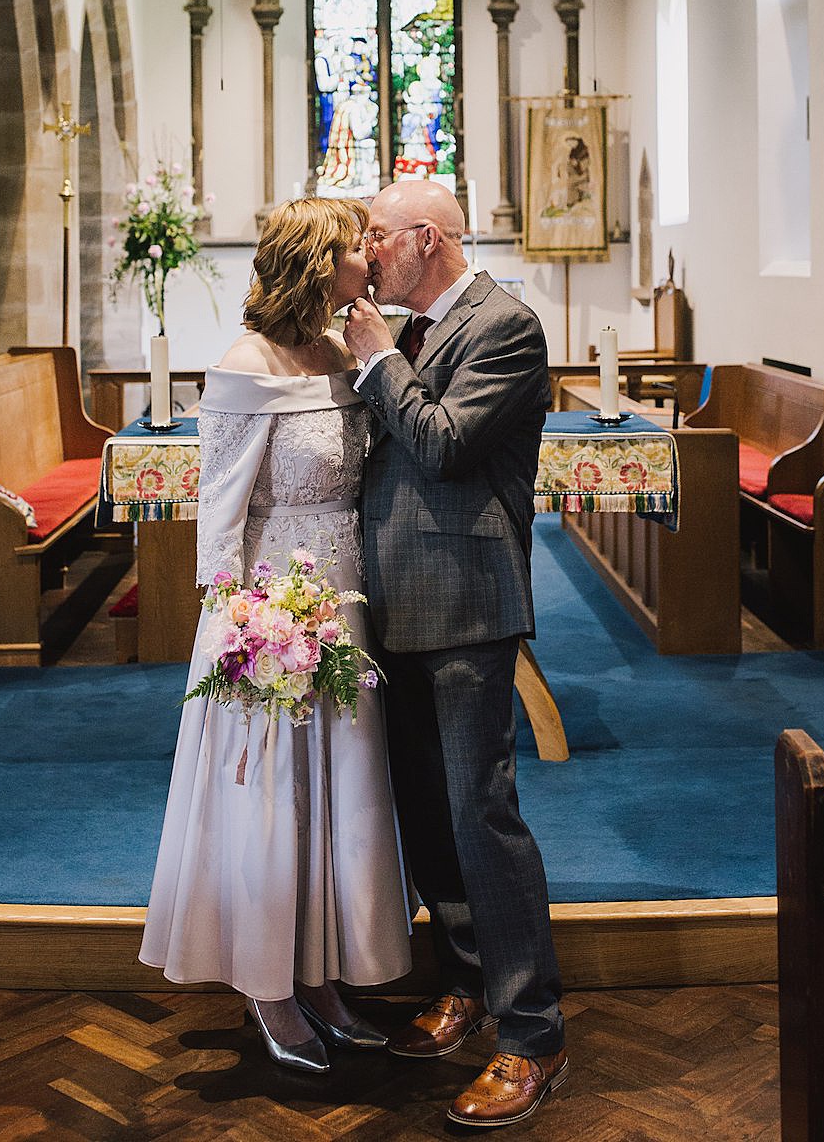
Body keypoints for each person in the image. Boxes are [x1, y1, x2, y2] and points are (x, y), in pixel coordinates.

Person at [139, 198, 411, 1073]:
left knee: (343, 792)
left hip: (345, 596)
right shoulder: (243, 365)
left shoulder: (340, 351)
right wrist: (238, 625)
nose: (368, 259)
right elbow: (218, 511)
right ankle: (267, 987)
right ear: (313, 262)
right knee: (275, 795)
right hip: (273, 610)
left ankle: (325, 973)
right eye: (351, 249)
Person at [343, 178, 567, 1130]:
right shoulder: (415, 328)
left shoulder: (503, 326)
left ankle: (532, 1035)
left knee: (482, 813)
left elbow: (440, 446)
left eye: (378, 239)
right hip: (392, 598)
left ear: (424, 239)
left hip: (468, 602)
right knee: (426, 815)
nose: (367, 255)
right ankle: (466, 983)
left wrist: (377, 359)